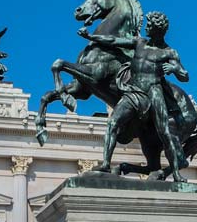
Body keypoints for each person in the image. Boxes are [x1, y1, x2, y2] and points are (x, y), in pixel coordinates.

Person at [79, 11, 189, 181]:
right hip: (134, 91)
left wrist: (175, 69)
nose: (146, 28)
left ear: (157, 29)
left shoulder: (169, 52)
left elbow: (185, 75)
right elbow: (113, 41)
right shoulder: (140, 42)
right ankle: (106, 164)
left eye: (149, 26)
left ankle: (176, 173)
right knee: (113, 123)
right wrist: (91, 37)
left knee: (164, 132)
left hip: (154, 92)